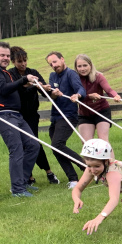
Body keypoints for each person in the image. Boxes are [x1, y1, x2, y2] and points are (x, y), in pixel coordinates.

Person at [0, 41, 42, 198]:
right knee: (16, 150)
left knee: (33, 145)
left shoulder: (5, 72)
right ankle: (17, 189)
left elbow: (12, 88)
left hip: (16, 115)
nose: (5, 58)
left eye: (8, 56)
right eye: (2, 55)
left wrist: (27, 84)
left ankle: (21, 182)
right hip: (4, 115)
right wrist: (23, 80)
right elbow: (3, 89)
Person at [10, 46, 59, 185]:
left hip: (31, 115)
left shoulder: (33, 72)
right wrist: (33, 86)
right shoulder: (11, 74)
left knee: (34, 143)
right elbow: (18, 91)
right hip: (17, 115)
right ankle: (29, 177)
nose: (23, 64)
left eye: (25, 60)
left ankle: (48, 171)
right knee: (24, 145)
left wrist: (47, 89)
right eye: (20, 61)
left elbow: (44, 92)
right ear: (13, 61)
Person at [46, 51, 86, 188]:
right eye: (51, 64)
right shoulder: (52, 76)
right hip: (55, 116)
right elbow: (51, 95)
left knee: (57, 144)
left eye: (55, 62)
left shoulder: (71, 74)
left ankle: (85, 167)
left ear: (62, 59)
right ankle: (73, 179)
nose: (53, 65)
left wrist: (77, 95)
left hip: (69, 115)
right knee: (56, 148)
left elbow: (81, 89)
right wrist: (54, 94)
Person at [74, 54, 121, 152]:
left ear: (90, 65)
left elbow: (108, 90)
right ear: (76, 67)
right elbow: (73, 95)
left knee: (103, 140)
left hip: (101, 111)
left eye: (85, 65)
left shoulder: (98, 76)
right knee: (86, 143)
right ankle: (92, 166)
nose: (82, 69)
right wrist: (89, 96)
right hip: (84, 114)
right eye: (79, 66)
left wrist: (115, 96)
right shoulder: (75, 79)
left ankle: (111, 165)